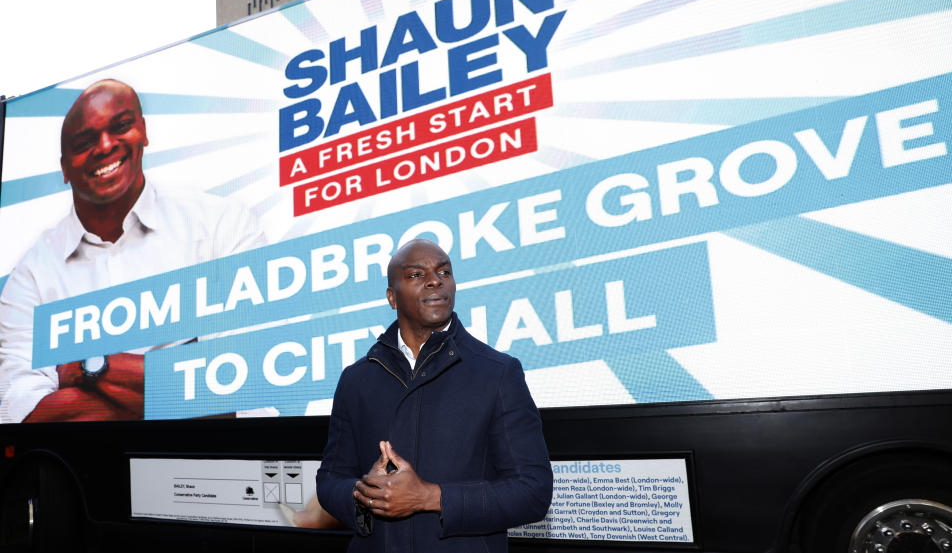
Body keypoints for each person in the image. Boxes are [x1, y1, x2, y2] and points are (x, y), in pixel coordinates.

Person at [0, 79, 266, 423]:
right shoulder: (31, 275)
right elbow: (23, 416)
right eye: (84, 142)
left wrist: (87, 369)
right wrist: (179, 380)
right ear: (64, 168)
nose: (105, 146)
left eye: (121, 126)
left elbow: (240, 392)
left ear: (143, 131)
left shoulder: (221, 224)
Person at [315, 238, 553, 552]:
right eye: (416, 275)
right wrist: (367, 494)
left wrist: (429, 497)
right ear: (392, 297)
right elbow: (330, 480)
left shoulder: (497, 373)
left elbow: (532, 492)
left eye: (444, 272)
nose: (434, 280)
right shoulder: (356, 379)